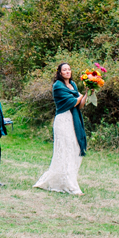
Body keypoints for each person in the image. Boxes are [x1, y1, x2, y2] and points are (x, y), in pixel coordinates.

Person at [34, 62, 87, 195]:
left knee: (74, 149)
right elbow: (73, 102)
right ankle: (70, 185)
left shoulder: (73, 85)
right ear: (60, 72)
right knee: (65, 150)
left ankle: (68, 179)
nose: (68, 71)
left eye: (69, 69)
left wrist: (88, 92)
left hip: (73, 120)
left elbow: (80, 105)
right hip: (63, 120)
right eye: (65, 70)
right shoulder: (58, 86)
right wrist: (80, 96)